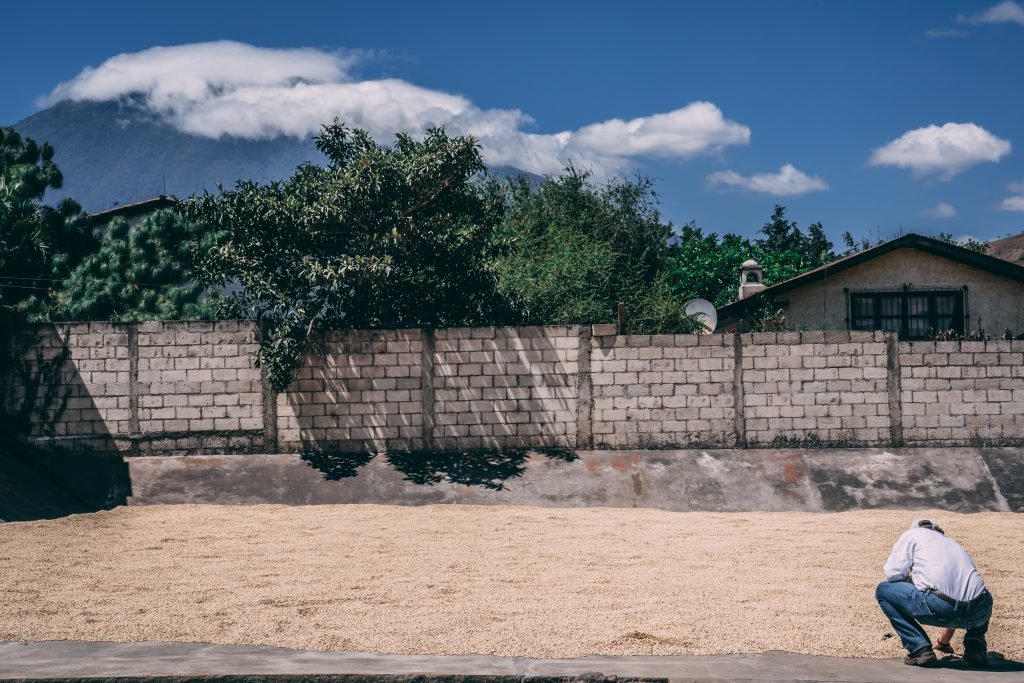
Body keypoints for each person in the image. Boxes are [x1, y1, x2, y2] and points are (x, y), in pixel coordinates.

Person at [875, 518, 993, 668]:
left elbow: (893, 574)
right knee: (982, 594)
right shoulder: (953, 544)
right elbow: (957, 596)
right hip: (979, 612)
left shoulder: (913, 534)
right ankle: (975, 647)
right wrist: (943, 642)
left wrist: (913, 582)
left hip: (939, 608)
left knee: (883, 590)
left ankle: (919, 648)